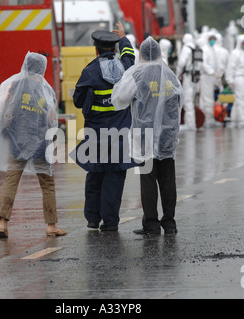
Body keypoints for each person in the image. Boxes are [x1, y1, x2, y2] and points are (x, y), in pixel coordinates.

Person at [0, 52, 67, 239]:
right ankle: (51, 225)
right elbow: (52, 119)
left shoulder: (15, 85)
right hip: (40, 143)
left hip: (18, 140)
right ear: (41, 68)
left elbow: (5, 111)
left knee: (11, 180)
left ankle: (3, 222)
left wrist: (6, 133)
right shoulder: (46, 90)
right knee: (47, 183)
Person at [111, 37, 184, 235]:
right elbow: (180, 101)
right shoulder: (170, 74)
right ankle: (169, 223)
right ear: (160, 53)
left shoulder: (138, 74)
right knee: (168, 179)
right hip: (167, 135)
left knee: (148, 179)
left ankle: (151, 224)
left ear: (141, 54)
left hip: (145, 135)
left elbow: (120, 99)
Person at [71, 22, 136, 232]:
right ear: (115, 49)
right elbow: (130, 57)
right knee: (114, 178)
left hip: (96, 135)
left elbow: (78, 102)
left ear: (96, 49)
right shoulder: (125, 69)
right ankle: (110, 222)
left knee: (95, 174)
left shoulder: (89, 72)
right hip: (119, 135)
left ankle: (92, 218)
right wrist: (124, 38)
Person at [225, 34, 244, 129]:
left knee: (238, 100)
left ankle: (234, 120)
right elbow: (230, 68)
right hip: (238, 78)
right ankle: (242, 120)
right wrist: (229, 80)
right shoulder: (235, 53)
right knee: (241, 100)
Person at [200, 33, 222, 128]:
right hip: (207, 76)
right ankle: (207, 120)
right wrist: (212, 72)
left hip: (212, 77)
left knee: (211, 98)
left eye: (214, 39)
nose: (212, 41)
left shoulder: (212, 50)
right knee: (207, 99)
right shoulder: (204, 50)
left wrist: (216, 75)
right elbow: (204, 64)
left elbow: (216, 63)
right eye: (211, 39)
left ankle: (211, 118)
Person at [176, 33, 198, 131]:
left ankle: (190, 124)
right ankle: (191, 123)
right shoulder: (196, 48)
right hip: (196, 78)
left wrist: (176, 75)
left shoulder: (186, 48)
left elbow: (181, 63)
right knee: (191, 100)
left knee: (187, 101)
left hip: (188, 77)